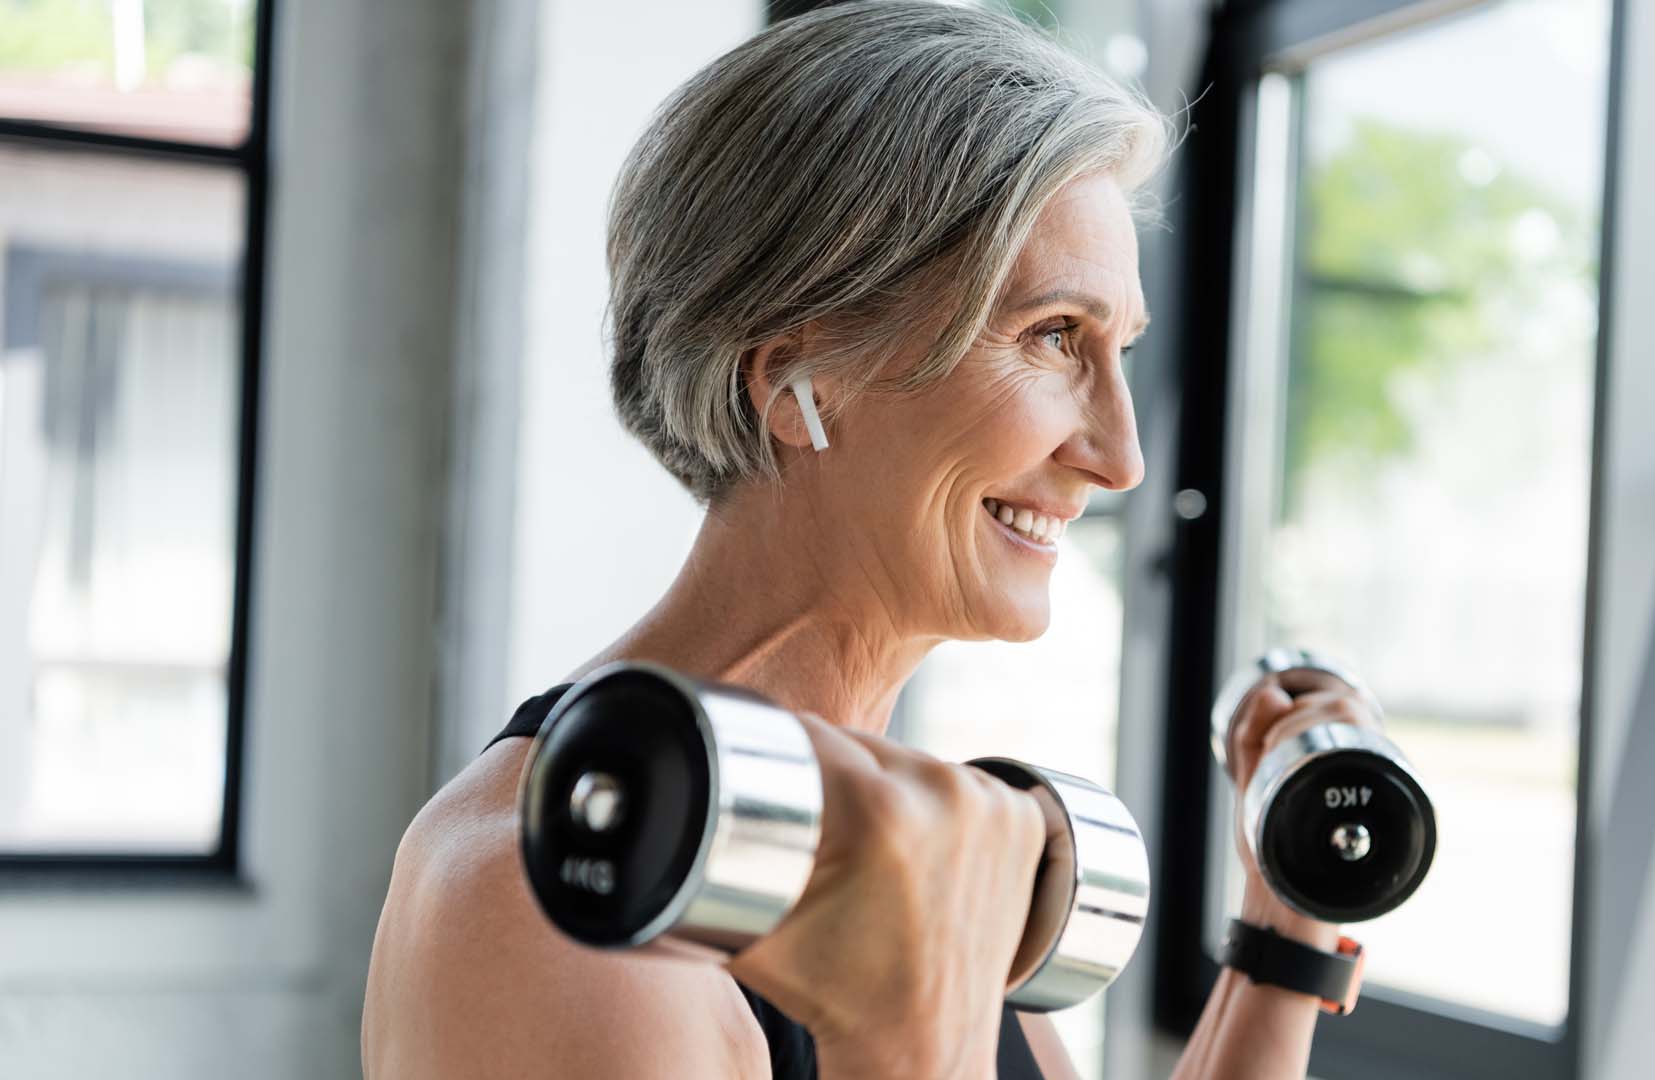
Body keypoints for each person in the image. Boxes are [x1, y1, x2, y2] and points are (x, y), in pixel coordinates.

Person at [363, 3, 1381, 1077]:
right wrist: (902, 1040)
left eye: (1120, 346)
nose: (1121, 457)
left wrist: (1289, 923)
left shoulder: (904, 832)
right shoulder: (560, 894)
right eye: (1051, 337)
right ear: (797, 381)